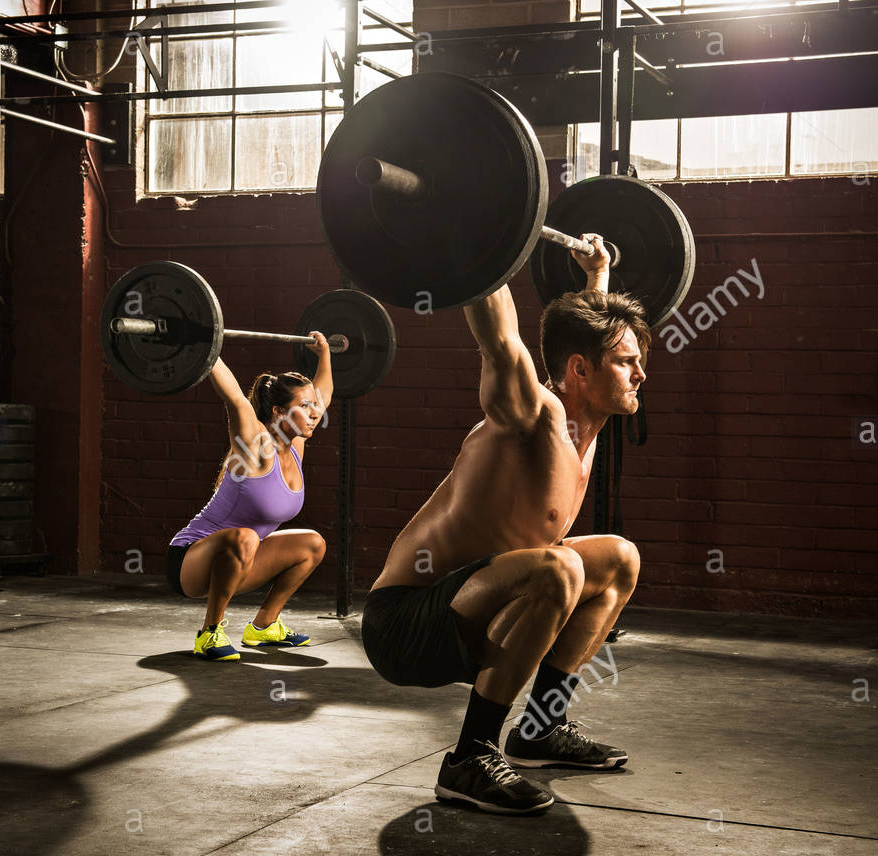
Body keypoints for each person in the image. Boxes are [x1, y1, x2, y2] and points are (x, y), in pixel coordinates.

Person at [362, 235, 647, 814]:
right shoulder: (532, 415)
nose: (640, 373)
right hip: (405, 624)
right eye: (627, 362)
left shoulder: (585, 419)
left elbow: (581, 339)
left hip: (473, 605)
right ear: (581, 370)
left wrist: (597, 278)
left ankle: (540, 727)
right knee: (559, 565)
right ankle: (469, 758)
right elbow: (500, 343)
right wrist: (478, 231)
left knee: (619, 557)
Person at [165, 335, 332, 661]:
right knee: (244, 537)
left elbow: (323, 394)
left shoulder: (295, 445)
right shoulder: (256, 444)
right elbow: (236, 399)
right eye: (305, 406)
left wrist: (325, 353)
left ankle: (264, 626)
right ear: (278, 412)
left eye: (314, 406)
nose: (316, 413)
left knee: (313, 544)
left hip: (242, 559)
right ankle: (209, 633)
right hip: (190, 563)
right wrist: (205, 344)